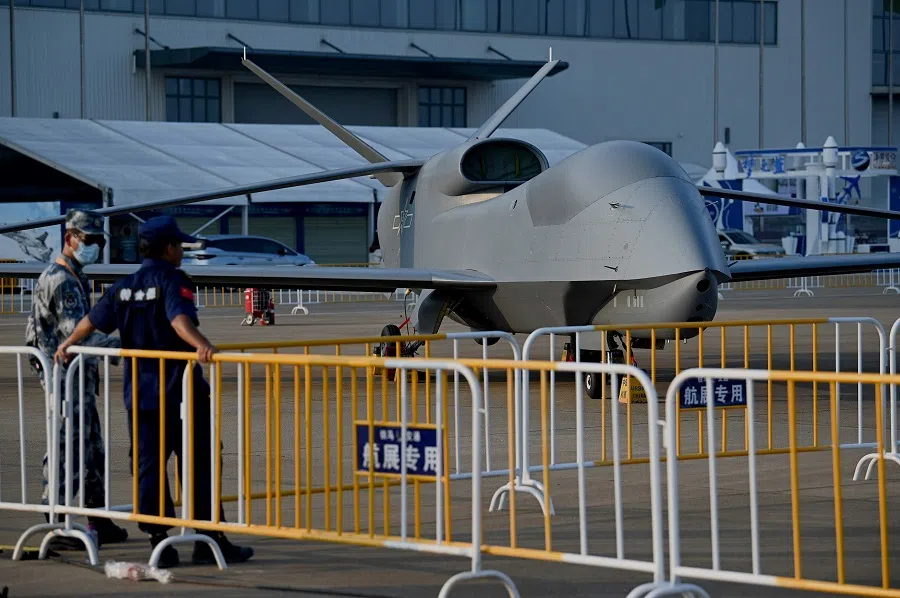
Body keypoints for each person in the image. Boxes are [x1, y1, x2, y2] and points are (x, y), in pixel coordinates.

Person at [55, 215, 253, 568]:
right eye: (179, 245)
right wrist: (204, 346)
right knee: (200, 462)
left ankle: (159, 541)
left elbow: (91, 320)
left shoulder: (124, 286)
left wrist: (68, 343)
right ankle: (207, 539)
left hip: (142, 395)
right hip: (182, 393)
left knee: (148, 466)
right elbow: (179, 320)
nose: (181, 251)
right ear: (168, 249)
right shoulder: (173, 280)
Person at [25, 209, 129, 549]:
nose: (96, 246)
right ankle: (56, 522)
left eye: (99, 241)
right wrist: (126, 344)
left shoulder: (74, 275)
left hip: (79, 378)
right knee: (67, 447)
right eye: (90, 240)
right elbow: (77, 336)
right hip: (65, 379)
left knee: (91, 447)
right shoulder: (63, 280)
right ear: (70, 239)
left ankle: (97, 518)